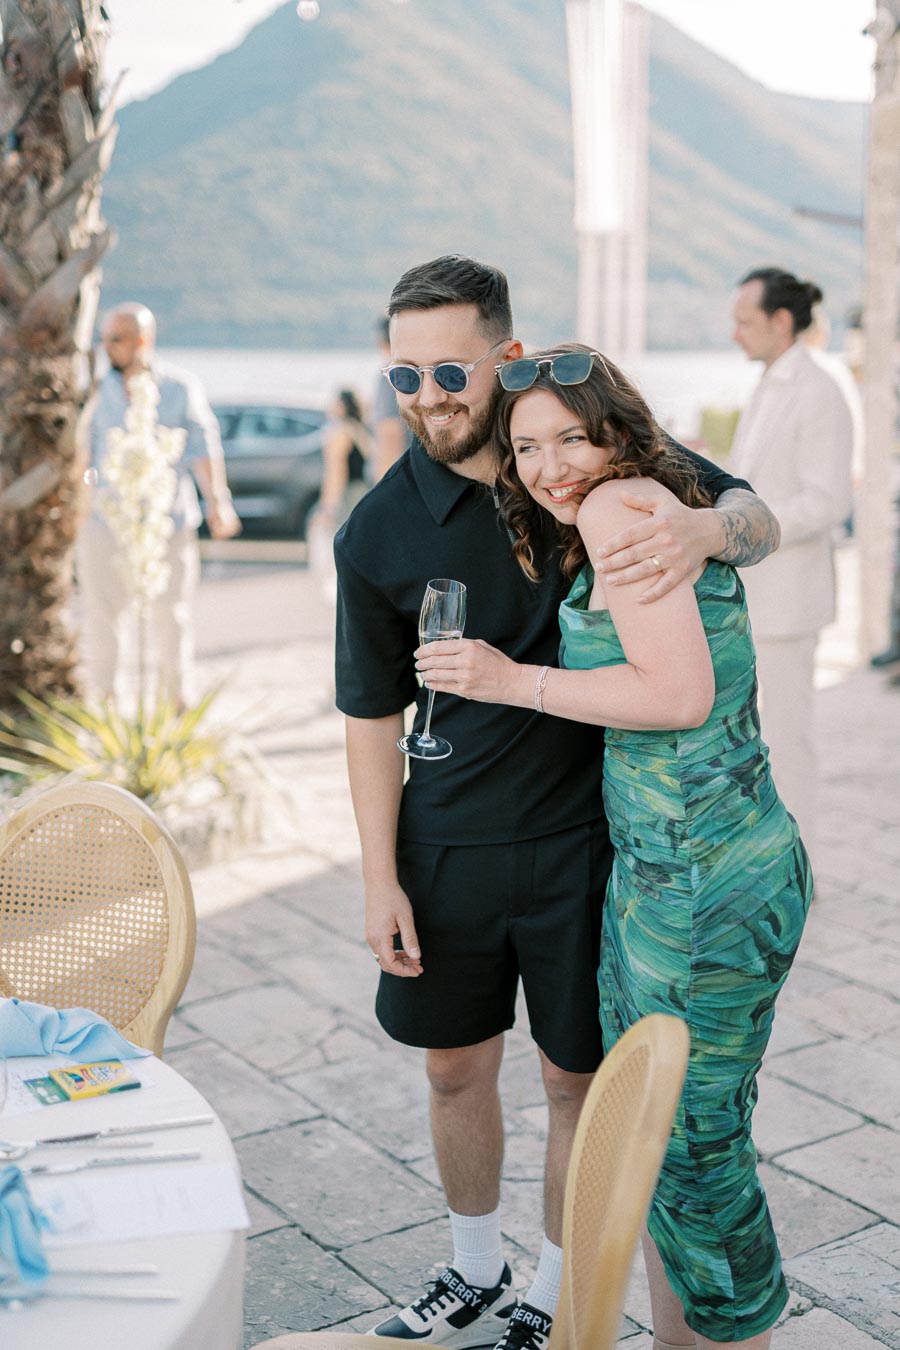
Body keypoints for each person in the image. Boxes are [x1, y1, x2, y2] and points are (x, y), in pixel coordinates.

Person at [333, 256, 781, 1350]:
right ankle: (471, 1266)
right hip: (447, 846)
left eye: (449, 368)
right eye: (403, 376)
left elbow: (755, 514)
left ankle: (552, 1288)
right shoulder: (375, 532)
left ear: (504, 352)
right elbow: (367, 717)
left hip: (592, 846)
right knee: (452, 1071)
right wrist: (380, 875)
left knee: (581, 1081)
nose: (429, 395)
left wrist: (706, 531)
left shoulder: (582, 454)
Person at [730, 268, 855, 852]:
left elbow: (827, 501)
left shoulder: (819, 388)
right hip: (758, 597)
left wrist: (744, 527)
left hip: (790, 600)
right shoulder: (770, 382)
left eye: (744, 321)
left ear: (781, 322)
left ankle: (796, 869)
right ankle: (766, 858)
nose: (735, 334)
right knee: (758, 738)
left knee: (788, 737)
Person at [78, 302, 240, 707]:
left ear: (141, 341)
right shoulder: (95, 393)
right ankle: (106, 709)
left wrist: (218, 500)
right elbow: (82, 456)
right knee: (102, 619)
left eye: (115, 339)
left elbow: (203, 446)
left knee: (172, 617)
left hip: (169, 522)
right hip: (103, 523)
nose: (107, 347)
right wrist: (81, 500)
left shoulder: (179, 389)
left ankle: (174, 708)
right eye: (104, 339)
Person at [307, 389, 372, 597]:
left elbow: (336, 473)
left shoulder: (339, 432)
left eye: (334, 401)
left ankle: (338, 592)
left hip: (347, 496)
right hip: (362, 492)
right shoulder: (358, 430)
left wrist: (327, 506)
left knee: (334, 541)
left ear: (342, 406)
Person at [370, 315, 407, 479]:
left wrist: (383, 492)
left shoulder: (391, 375)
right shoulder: (416, 372)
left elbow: (390, 433)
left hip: (397, 480)